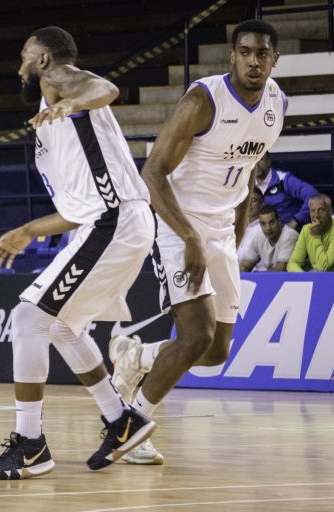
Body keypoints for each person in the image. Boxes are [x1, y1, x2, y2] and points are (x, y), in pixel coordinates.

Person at [0, 26, 156, 480]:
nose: (19, 68)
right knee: (60, 327)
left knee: (27, 318)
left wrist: (72, 103)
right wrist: (27, 231)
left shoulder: (59, 80)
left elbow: (105, 87)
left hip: (115, 221)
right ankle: (121, 420)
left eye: (24, 56)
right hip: (109, 221)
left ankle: (30, 444)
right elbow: (78, 209)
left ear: (41, 59)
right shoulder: (50, 108)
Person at [110, 19, 286, 465]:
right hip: (177, 223)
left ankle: (137, 355)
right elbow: (151, 173)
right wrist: (189, 236)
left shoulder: (277, 103)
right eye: (245, 52)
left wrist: (237, 229)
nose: (253, 61)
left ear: (274, 59)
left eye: (262, 53)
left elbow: (247, 170)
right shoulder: (203, 101)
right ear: (232, 56)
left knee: (215, 351)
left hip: (222, 227)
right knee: (195, 336)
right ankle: (130, 428)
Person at [254, 152, 319, 229]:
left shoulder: (283, 179)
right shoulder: (246, 183)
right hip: (257, 231)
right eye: (252, 161)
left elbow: (313, 194)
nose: (256, 164)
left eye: (260, 159)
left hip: (285, 231)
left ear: (268, 161)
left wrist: (296, 220)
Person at [287, 193, 334, 271]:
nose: (316, 215)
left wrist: (316, 236)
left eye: (321, 210)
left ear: (330, 212)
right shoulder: (306, 230)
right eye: (313, 211)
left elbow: (325, 267)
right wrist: (304, 276)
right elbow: (293, 263)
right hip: (315, 275)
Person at [239, 205, 299, 272]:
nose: (268, 228)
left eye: (271, 222)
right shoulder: (259, 238)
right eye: (263, 224)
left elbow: (280, 270)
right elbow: (244, 266)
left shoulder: (289, 236)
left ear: (279, 221)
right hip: (270, 277)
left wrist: (257, 274)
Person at [236, 187, 264, 268]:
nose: (249, 204)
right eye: (246, 201)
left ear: (262, 204)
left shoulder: (264, 229)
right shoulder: (236, 228)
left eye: (253, 200)